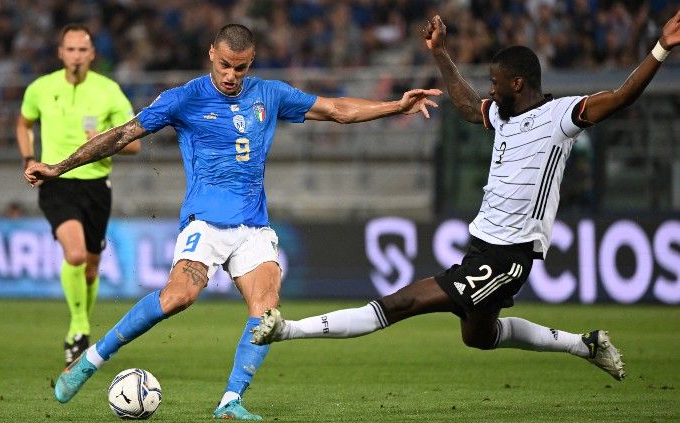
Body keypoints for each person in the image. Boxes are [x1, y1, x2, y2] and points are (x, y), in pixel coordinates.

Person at [25, 24, 441, 420]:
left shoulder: (270, 94)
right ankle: (90, 360)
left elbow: (336, 110)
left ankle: (230, 401)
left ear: (251, 61)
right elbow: (121, 134)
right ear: (212, 54)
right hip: (204, 224)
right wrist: (59, 167)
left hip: (253, 229)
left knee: (266, 312)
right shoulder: (185, 98)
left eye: (240, 67)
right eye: (224, 65)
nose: (230, 75)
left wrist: (395, 106)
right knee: (178, 298)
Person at [251, 10, 680, 391]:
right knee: (478, 337)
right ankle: (584, 345)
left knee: (402, 302)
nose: (489, 91)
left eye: (496, 82)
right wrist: (440, 54)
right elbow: (470, 106)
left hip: (509, 256)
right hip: (481, 247)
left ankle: (286, 330)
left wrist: (661, 47)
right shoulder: (503, 116)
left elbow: (621, 97)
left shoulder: (560, 117)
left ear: (518, 82)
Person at [16, 24, 140, 368]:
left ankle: (79, 331)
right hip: (56, 181)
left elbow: (135, 143)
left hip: (96, 185)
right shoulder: (41, 88)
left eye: (82, 50)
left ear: (92, 54)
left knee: (90, 267)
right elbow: (23, 123)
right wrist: (28, 158)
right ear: (60, 53)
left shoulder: (110, 91)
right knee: (74, 256)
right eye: (70, 49)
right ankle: (79, 328)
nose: (76, 56)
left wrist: (105, 137)